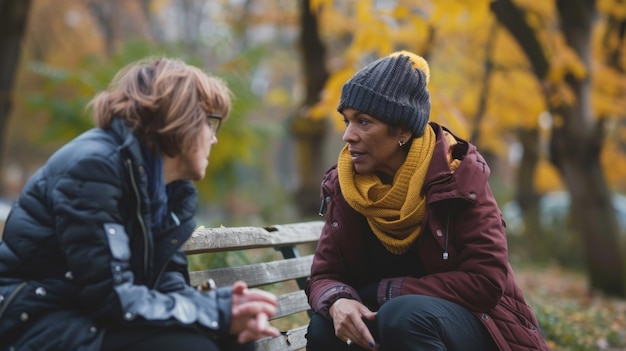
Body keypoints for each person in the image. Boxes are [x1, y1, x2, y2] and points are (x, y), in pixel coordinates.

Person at [0, 57, 280, 351]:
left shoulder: (169, 192)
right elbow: (111, 297)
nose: (214, 140)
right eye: (211, 123)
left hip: (87, 313)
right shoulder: (95, 168)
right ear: (182, 117)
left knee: (238, 340)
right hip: (35, 319)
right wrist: (218, 312)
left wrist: (224, 307)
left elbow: (167, 284)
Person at [305, 51, 551, 351]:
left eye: (364, 122)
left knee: (404, 315)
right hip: (389, 317)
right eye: (347, 121)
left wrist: (389, 291)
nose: (348, 135)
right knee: (326, 328)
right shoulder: (348, 187)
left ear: (403, 130)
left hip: (477, 324)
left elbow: (485, 282)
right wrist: (339, 300)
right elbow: (325, 274)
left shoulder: (457, 176)